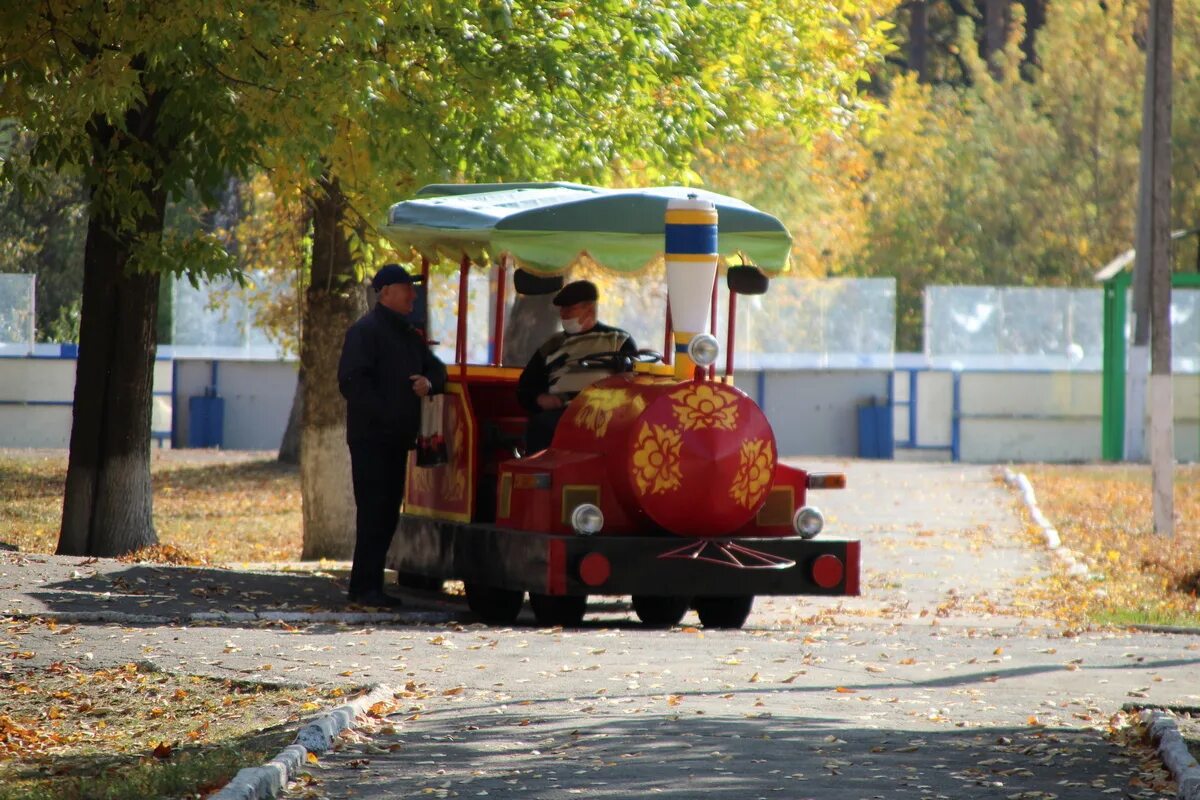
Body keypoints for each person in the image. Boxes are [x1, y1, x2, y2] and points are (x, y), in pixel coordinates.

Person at [338, 264, 447, 608]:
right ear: (385, 292)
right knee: (373, 512)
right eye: (406, 288)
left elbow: (437, 368)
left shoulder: (407, 333)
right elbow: (353, 382)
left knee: (386, 515)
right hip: (372, 439)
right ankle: (363, 589)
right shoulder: (365, 332)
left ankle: (370, 587)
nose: (413, 295)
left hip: (396, 439)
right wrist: (386, 414)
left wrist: (428, 383)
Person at [517, 280, 637, 453]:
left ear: (589, 309)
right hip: (562, 411)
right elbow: (526, 387)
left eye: (570, 309)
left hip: (604, 412)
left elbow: (631, 380)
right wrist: (540, 399)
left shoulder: (618, 340)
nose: (563, 315)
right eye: (561, 310)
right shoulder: (552, 345)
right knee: (541, 425)